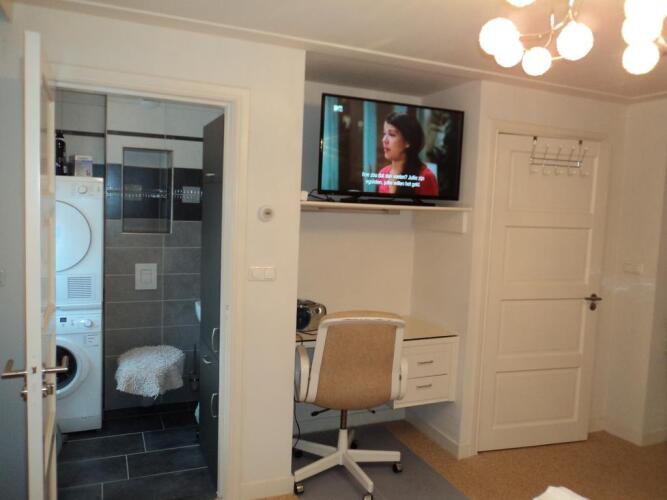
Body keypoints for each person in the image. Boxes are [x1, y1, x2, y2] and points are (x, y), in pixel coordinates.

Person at [377, 112, 438, 196]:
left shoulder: (425, 177)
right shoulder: (383, 173)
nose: (384, 140)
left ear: (407, 142)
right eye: (384, 134)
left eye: (391, 134)